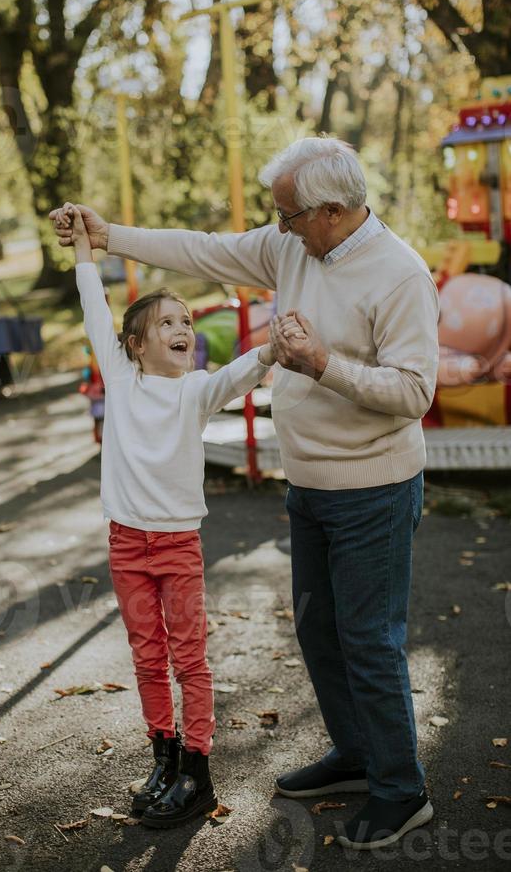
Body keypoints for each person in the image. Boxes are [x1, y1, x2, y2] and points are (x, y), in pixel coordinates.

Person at [51, 136, 440, 851]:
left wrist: (324, 364)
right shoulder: (291, 244)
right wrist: (109, 236)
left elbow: (415, 393)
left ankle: (400, 788)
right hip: (310, 485)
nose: (277, 225)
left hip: (374, 491)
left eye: (288, 214)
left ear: (332, 209)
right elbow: (204, 250)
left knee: (369, 642)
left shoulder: (401, 276)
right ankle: (356, 756)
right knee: (319, 631)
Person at [51, 202, 275, 828]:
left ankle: (198, 770)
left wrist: (272, 347)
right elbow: (94, 308)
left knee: (189, 658)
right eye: (167, 322)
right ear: (135, 344)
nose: (182, 328)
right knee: (147, 657)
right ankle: (164, 755)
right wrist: (83, 254)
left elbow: (239, 372)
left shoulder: (195, 389)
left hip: (177, 546)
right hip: (127, 544)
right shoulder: (122, 381)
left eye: (185, 320)